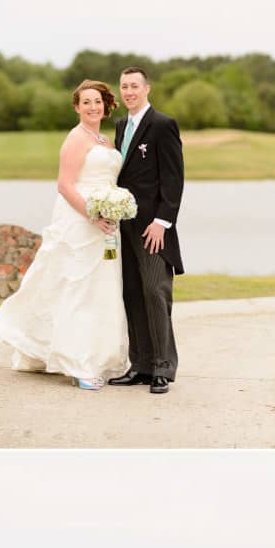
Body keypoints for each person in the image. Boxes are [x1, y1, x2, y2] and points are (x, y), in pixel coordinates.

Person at [0, 80, 130, 390]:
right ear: (77, 107)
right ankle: (78, 363)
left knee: (102, 288)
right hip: (80, 220)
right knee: (77, 287)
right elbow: (65, 185)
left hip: (107, 225)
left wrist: (114, 208)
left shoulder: (106, 141)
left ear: (106, 105)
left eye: (97, 101)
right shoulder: (75, 139)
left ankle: (100, 357)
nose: (92, 107)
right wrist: (93, 215)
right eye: (86, 102)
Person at [107, 68, 185, 396]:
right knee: (132, 294)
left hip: (153, 228)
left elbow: (173, 179)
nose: (129, 91)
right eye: (124, 86)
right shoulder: (122, 126)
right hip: (123, 226)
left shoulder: (163, 125)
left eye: (134, 86)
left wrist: (163, 222)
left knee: (155, 292)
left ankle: (161, 369)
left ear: (146, 88)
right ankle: (138, 365)